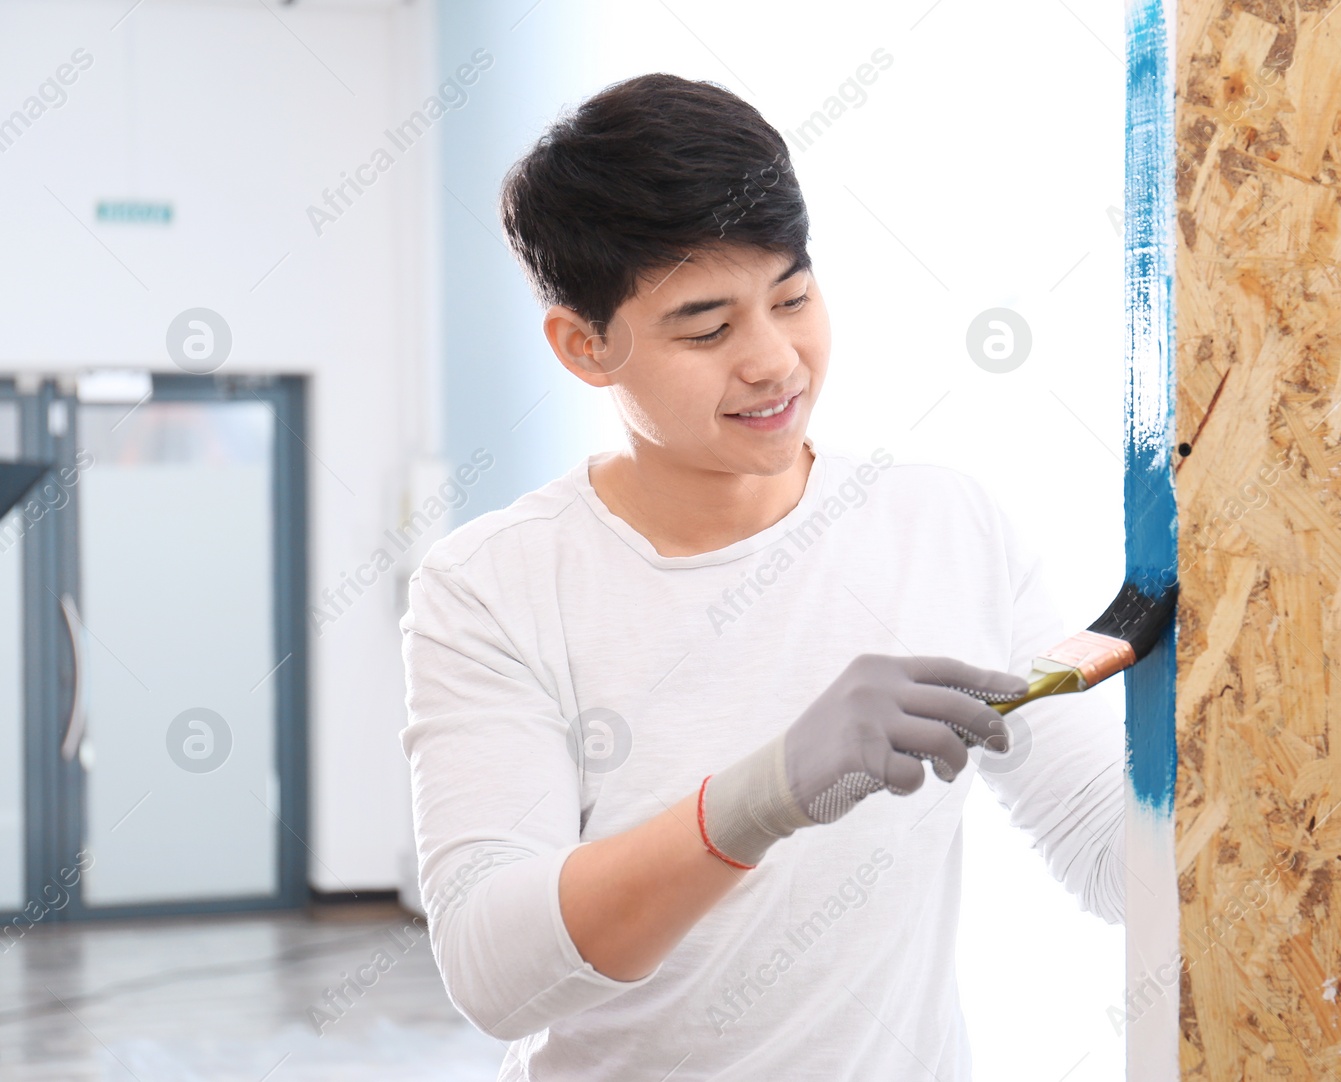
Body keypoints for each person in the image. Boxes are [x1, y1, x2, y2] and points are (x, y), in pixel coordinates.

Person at [399, 72, 1125, 1081]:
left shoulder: (939, 520)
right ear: (584, 345)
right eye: (706, 327)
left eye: (793, 295)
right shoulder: (492, 585)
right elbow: (496, 972)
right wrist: (764, 792)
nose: (775, 360)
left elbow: (1105, 848)